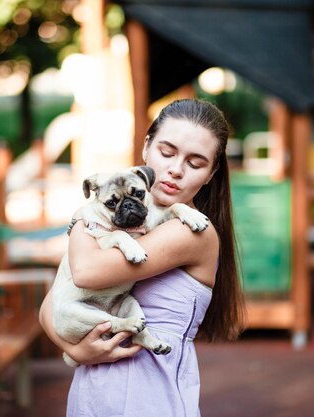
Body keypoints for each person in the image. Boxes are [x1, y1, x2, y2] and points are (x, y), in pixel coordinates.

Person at [39, 98, 245, 416]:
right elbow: (49, 308)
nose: (175, 170)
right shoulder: (127, 224)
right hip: (94, 394)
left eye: (195, 162)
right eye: (167, 152)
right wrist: (76, 349)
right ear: (146, 147)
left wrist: (83, 217)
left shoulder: (191, 232)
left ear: (211, 173)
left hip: (150, 398)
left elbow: (85, 272)